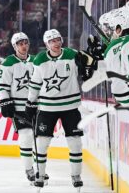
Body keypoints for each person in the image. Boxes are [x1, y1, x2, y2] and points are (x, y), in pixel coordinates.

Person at [26, 29, 91, 190]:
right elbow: (35, 83)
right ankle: (40, 175)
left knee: (75, 143)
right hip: (47, 108)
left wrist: (88, 68)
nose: (56, 43)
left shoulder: (73, 54)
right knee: (41, 143)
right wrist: (30, 102)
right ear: (46, 44)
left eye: (58, 40)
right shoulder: (40, 59)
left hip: (71, 107)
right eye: (52, 41)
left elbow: (89, 67)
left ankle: (76, 175)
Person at [0, 32, 36, 183]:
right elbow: (2, 87)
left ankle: (40, 168)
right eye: (20, 43)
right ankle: (29, 169)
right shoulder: (8, 63)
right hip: (19, 108)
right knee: (26, 137)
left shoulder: (36, 61)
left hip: (36, 106)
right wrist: (5, 101)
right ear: (14, 46)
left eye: (25, 42)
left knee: (39, 139)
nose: (24, 45)